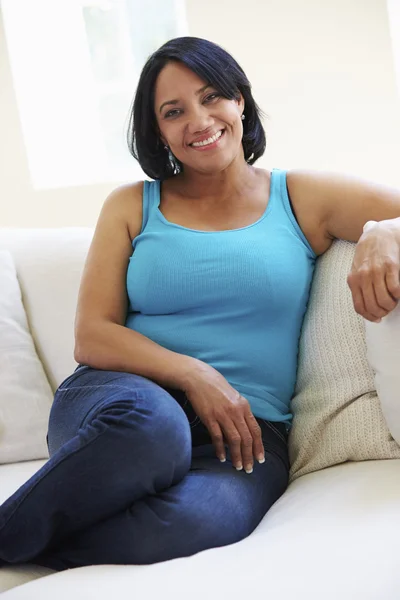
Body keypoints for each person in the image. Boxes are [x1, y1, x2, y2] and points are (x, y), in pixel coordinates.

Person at [1, 36, 399, 571]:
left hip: (248, 434)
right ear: (158, 131)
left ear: (239, 100)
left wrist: (385, 231)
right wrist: (194, 375)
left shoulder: (301, 196)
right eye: (174, 111)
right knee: (153, 430)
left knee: (198, 520)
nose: (199, 119)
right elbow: (93, 334)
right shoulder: (131, 205)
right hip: (123, 401)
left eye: (212, 96)